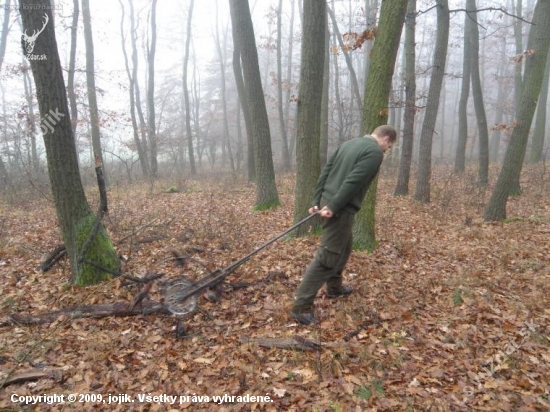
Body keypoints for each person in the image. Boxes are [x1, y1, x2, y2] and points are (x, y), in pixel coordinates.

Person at [290, 125, 397, 325]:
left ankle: (334, 287)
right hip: (339, 208)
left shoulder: (348, 144)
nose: (386, 151)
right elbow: (353, 181)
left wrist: (317, 200)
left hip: (330, 203)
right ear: (386, 139)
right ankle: (301, 307)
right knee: (327, 256)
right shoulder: (374, 152)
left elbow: (326, 173)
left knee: (345, 247)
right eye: (389, 147)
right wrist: (333, 206)